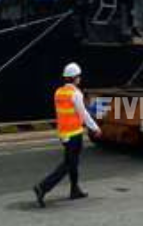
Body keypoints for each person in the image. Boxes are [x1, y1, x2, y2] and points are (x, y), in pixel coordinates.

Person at [33, 63, 101, 207]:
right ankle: (42, 187)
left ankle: (74, 190)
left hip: (63, 134)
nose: (80, 78)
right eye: (79, 76)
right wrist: (95, 128)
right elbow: (84, 114)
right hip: (74, 134)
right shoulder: (76, 94)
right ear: (74, 78)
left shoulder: (58, 92)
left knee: (73, 162)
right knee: (68, 164)